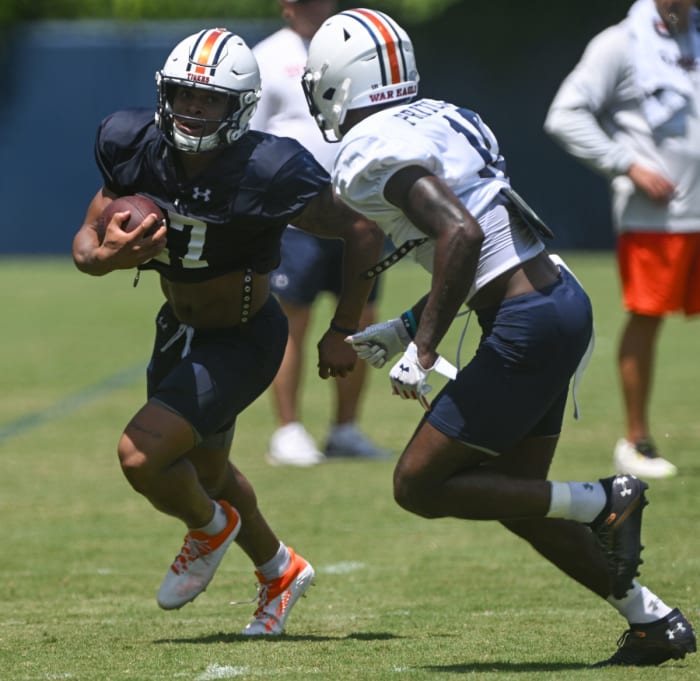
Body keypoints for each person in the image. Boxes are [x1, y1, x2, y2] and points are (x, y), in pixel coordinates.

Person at [302, 8, 696, 666]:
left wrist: (421, 351)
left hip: (525, 321)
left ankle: (607, 498)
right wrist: (401, 326)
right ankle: (651, 619)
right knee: (517, 495)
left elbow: (462, 232)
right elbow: (487, 245)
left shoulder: (369, 152)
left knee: (418, 483)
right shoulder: (444, 117)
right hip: (555, 301)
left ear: (340, 82)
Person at [72, 27, 383, 635]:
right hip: (176, 329)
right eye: (184, 95)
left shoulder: (267, 168)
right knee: (208, 474)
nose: (192, 109)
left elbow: (364, 233)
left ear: (238, 106)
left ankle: (211, 528)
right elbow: (86, 244)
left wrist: (344, 327)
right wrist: (109, 258)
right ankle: (279, 568)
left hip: (243, 336)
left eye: (209, 99)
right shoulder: (133, 141)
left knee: (141, 456)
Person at [545, 0, 700, 480]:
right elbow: (564, 115)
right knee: (647, 320)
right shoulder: (620, 42)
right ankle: (636, 441)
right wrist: (626, 163)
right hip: (656, 218)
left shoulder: (693, 34)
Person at [251, 0, 388, 466]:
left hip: (359, 213)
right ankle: (287, 431)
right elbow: (252, 136)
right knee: (292, 322)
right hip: (294, 220)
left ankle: (345, 430)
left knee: (362, 320)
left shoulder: (359, 52)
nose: (320, 7)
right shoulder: (267, 57)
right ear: (286, 7)